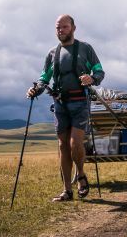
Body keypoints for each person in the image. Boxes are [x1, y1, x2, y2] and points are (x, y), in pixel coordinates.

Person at [27, 14, 105, 202]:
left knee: (74, 143)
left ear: (73, 28)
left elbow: (99, 71)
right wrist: (35, 90)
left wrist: (92, 79)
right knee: (62, 146)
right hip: (60, 104)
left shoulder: (86, 49)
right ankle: (67, 191)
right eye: (57, 28)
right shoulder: (52, 53)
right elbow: (44, 78)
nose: (60, 31)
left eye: (64, 27)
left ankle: (80, 174)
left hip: (80, 103)